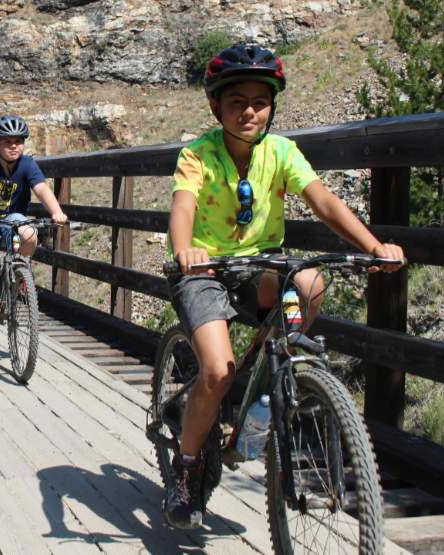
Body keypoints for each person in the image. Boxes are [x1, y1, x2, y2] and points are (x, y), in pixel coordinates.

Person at [163, 45, 405, 530]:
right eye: (236, 101)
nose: (249, 110)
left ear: (273, 106)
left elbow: (323, 202)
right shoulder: (198, 155)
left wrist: (374, 245)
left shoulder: (282, 152)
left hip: (261, 266)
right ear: (216, 107)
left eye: (260, 101)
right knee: (215, 370)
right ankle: (186, 472)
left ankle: (267, 389)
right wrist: (185, 249)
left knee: (310, 282)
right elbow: (183, 208)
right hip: (204, 271)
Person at [0, 115, 69, 346]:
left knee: (29, 232)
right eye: (7, 141)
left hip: (12, 220)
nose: (13, 146)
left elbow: (42, 189)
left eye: (18, 141)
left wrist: (57, 212)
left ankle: (21, 272)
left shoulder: (27, 164)